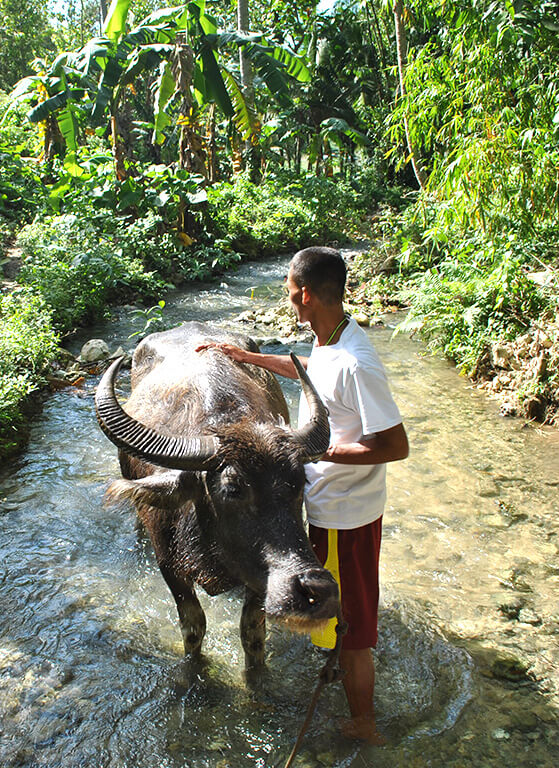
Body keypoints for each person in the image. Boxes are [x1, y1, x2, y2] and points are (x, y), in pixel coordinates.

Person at [196, 246, 409, 744]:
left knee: (354, 632)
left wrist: (317, 453)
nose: (289, 299)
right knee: (330, 603)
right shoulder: (331, 338)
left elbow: (395, 446)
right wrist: (247, 357)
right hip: (328, 505)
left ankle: (365, 725)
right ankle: (335, 660)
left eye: (290, 291)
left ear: (306, 293)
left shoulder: (359, 363)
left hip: (346, 513)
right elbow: (310, 371)